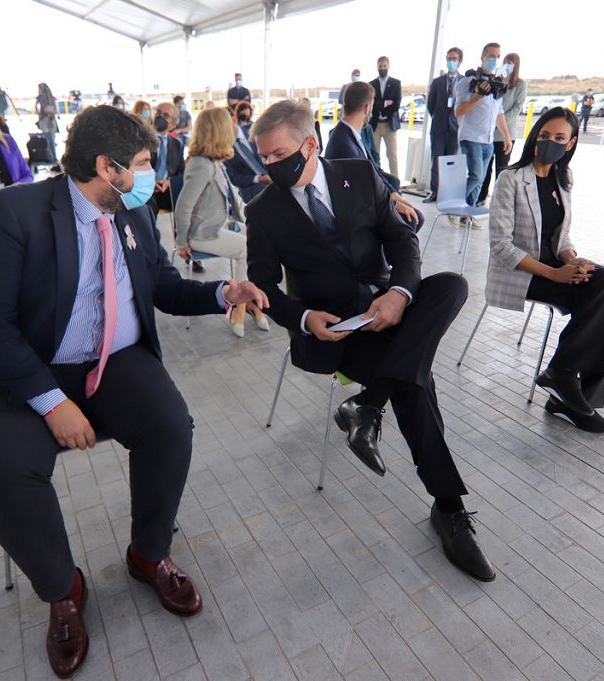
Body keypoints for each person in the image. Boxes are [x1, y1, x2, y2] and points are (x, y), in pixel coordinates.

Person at [0, 104, 267, 678]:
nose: (156, 176)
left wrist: (224, 292)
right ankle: (62, 589)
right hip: (29, 371)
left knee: (171, 425)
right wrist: (51, 403)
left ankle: (148, 555)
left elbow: (165, 288)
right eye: (146, 164)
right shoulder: (15, 213)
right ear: (108, 166)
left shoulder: (134, 211)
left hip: (114, 361)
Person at [248, 100, 496, 583]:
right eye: (264, 159)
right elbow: (263, 290)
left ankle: (369, 404)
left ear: (310, 145)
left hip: (386, 305)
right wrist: (301, 318)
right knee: (415, 383)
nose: (270, 166)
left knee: (453, 285)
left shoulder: (358, 174)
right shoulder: (264, 211)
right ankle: (447, 507)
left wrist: (401, 294)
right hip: (336, 330)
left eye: (278, 155)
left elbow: (402, 240)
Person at [488, 108, 604, 432]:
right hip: (521, 273)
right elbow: (501, 247)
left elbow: (561, 237)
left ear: (571, 143)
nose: (550, 142)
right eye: (545, 135)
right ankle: (565, 381)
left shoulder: (564, 178)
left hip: (554, 267)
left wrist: (572, 260)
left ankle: (566, 390)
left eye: (559, 138)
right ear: (535, 136)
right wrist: (555, 274)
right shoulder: (511, 179)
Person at [173, 108, 269, 337]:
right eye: (229, 125)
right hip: (201, 233)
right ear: (220, 131)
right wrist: (182, 243)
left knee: (257, 241)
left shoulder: (214, 162)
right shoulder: (201, 165)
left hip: (216, 226)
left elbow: (233, 201)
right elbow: (183, 207)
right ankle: (239, 305)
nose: (234, 129)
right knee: (245, 248)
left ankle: (248, 303)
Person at [325, 82, 424, 230]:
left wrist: (392, 193)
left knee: (414, 215)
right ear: (367, 108)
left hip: (368, 200)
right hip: (357, 212)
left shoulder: (352, 134)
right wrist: (392, 205)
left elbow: (374, 172)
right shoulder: (343, 144)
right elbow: (359, 191)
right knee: (412, 219)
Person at [455, 42, 513, 225]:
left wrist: (506, 135)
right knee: (476, 176)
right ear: (482, 57)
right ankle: (453, 207)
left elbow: (499, 113)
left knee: (479, 183)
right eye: (490, 56)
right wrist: (477, 97)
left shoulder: (497, 84)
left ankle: (465, 216)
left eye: (497, 56)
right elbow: (458, 111)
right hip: (470, 137)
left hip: (488, 140)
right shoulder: (466, 82)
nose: (494, 59)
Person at [480, 52, 527, 201]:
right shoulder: (497, 78)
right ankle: (481, 196)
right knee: (485, 168)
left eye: (511, 62)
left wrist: (499, 122)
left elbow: (517, 108)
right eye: (506, 61)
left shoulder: (520, 84)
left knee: (502, 169)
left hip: (506, 133)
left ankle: (498, 199)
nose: (508, 65)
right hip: (489, 132)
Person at [424, 47, 463, 203]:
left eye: (454, 59)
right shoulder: (437, 82)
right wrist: (438, 117)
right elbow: (430, 105)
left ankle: (446, 194)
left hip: (454, 129)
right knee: (437, 161)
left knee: (451, 163)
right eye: (449, 58)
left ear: (460, 61)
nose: (451, 61)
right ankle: (434, 191)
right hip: (438, 128)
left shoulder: (464, 82)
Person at [225, 102, 270, 203]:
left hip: (276, 181)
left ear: (233, 119)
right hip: (252, 193)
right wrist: (259, 179)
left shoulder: (255, 130)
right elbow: (235, 178)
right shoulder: (224, 149)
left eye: (222, 126)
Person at [147, 103, 186, 214]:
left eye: (166, 115)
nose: (160, 117)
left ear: (173, 124)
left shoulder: (177, 144)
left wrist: (168, 182)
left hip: (167, 190)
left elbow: (181, 173)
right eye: (158, 113)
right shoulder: (142, 140)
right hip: (146, 190)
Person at [369, 56, 402, 176]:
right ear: (377, 67)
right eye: (380, 66)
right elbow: (371, 105)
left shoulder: (396, 83)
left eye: (384, 66)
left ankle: (396, 184)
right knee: (374, 156)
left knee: (392, 155)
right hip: (375, 125)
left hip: (389, 125)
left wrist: (380, 104)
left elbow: (396, 105)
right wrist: (385, 103)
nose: (382, 68)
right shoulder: (371, 84)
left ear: (388, 66)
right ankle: (377, 182)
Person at [36, 83, 60, 162]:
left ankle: (50, 159)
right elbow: (56, 110)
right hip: (52, 121)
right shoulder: (52, 98)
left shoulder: (40, 98)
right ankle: (53, 158)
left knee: (47, 140)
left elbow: (39, 109)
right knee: (52, 140)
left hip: (45, 122)